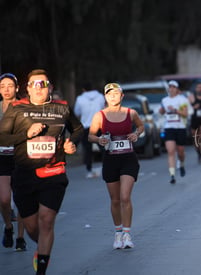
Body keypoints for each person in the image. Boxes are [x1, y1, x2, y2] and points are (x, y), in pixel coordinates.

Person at [0, 69, 83, 275]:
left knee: (46, 221)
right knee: (31, 228)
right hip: (24, 176)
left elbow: (79, 129)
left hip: (53, 173)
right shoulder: (16, 109)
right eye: (34, 84)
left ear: (50, 88)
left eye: (43, 85)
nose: (39, 88)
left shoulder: (62, 108)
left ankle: (41, 270)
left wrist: (72, 143)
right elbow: (2, 138)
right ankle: (42, 247)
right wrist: (25, 134)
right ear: (27, 88)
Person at [88, 83, 144, 249]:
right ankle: (118, 233)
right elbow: (91, 135)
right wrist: (99, 140)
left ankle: (127, 234)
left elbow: (140, 126)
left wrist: (136, 133)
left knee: (125, 197)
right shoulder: (99, 116)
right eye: (109, 94)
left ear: (122, 96)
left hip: (128, 159)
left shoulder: (131, 113)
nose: (113, 97)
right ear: (105, 97)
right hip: (110, 159)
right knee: (115, 199)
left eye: (116, 94)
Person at [0, 73, 27, 251]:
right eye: (2, 86)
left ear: (17, 88)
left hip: (21, 157)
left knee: (21, 199)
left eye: (10, 85)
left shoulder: (25, 108)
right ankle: (8, 227)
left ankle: (20, 238)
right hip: (2, 158)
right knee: (4, 199)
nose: (6, 89)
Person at [159, 80, 190, 184]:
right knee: (170, 151)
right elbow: (161, 111)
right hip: (169, 127)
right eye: (170, 87)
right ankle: (172, 175)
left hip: (180, 127)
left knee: (180, 151)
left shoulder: (182, 99)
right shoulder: (164, 100)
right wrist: (162, 110)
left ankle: (181, 164)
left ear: (177, 89)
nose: (171, 89)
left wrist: (176, 110)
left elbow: (186, 114)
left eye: (173, 87)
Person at [74, 83, 105, 178]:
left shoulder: (80, 99)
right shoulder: (100, 97)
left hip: (86, 126)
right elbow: (104, 109)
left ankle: (89, 169)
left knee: (88, 150)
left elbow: (77, 112)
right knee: (103, 148)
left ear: (83, 89)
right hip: (99, 126)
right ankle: (107, 167)